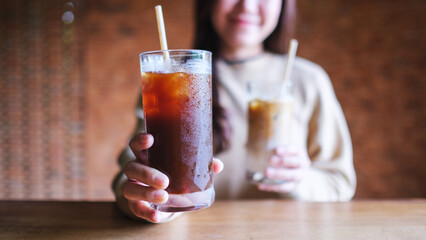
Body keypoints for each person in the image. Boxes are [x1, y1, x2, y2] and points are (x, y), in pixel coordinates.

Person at [112, 0, 356, 223]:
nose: (247, 5)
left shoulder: (308, 80)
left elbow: (340, 183)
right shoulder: (168, 80)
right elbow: (130, 177)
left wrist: (300, 180)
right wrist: (145, 199)